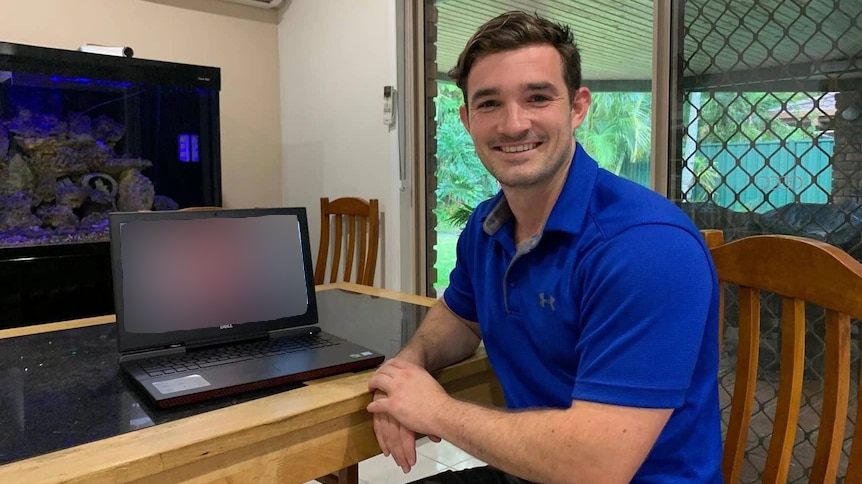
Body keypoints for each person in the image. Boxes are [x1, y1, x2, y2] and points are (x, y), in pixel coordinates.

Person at [367, 10, 722, 484]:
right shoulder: (487, 226)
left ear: (577, 108)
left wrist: (436, 411)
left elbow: (597, 466)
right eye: (489, 104)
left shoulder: (646, 247)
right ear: (467, 119)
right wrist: (408, 367)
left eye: (537, 97)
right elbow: (458, 316)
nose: (514, 125)